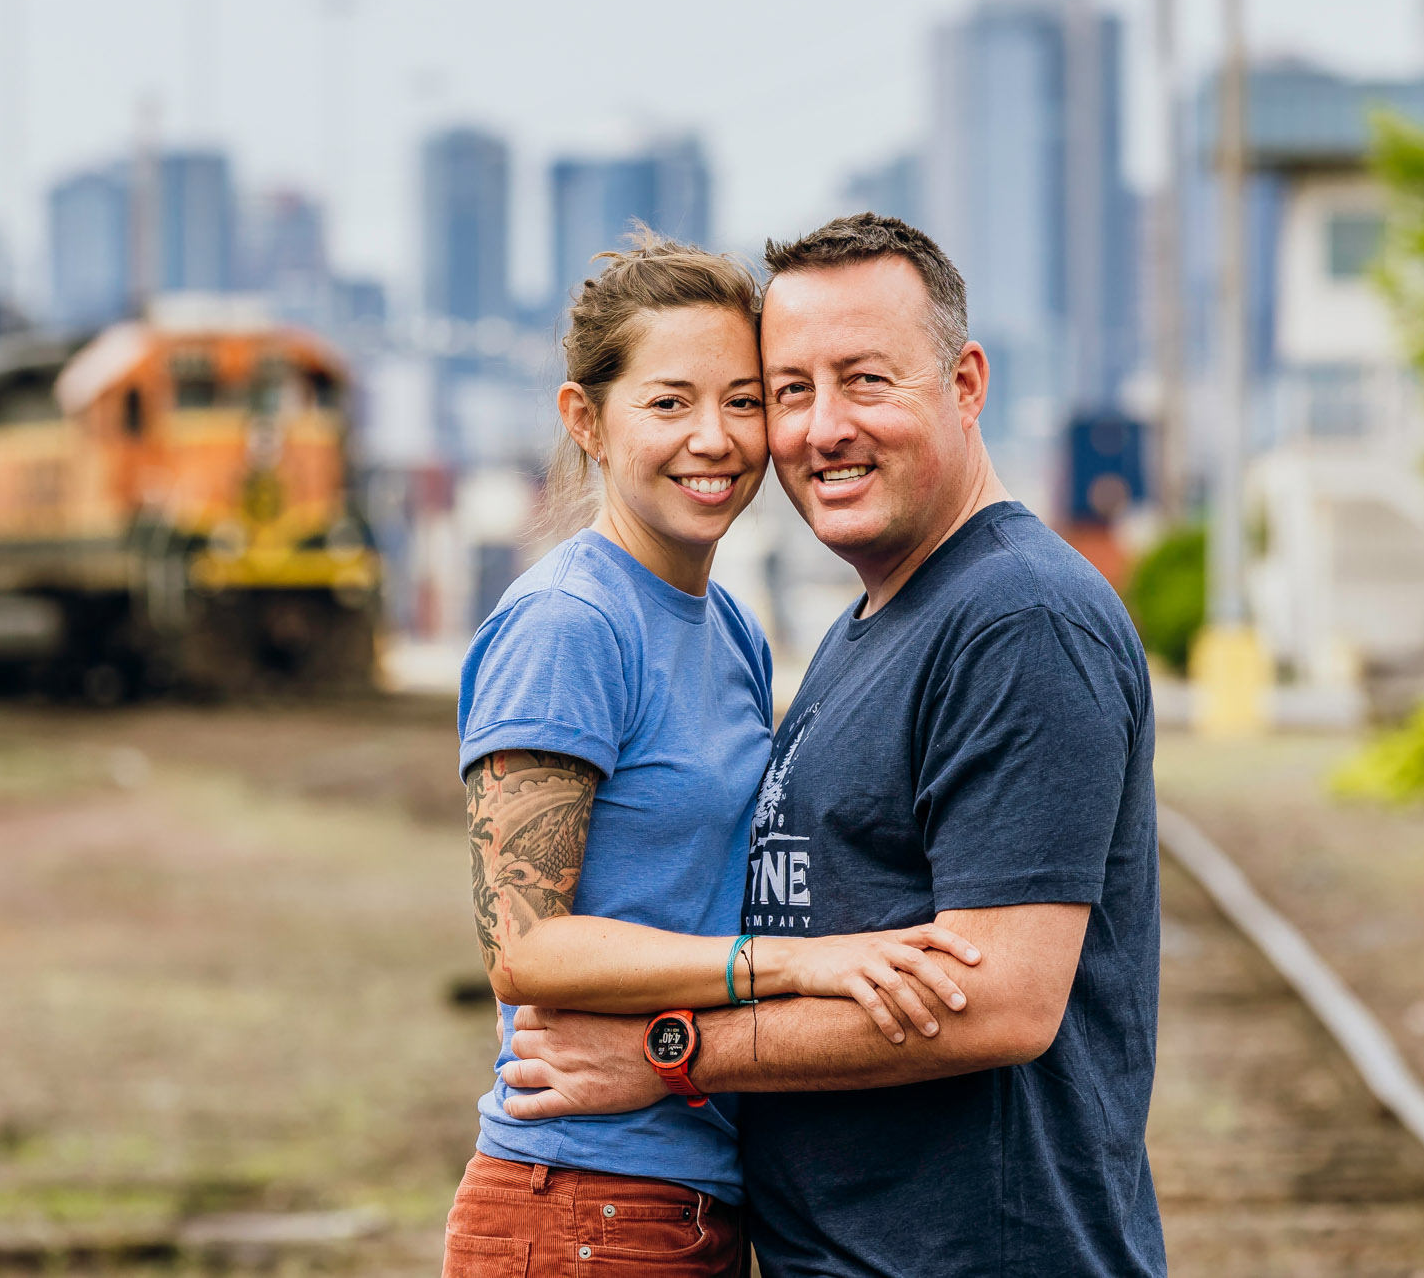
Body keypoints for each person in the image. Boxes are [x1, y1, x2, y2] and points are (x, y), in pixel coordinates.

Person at [499, 214, 1168, 1277]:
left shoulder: (1018, 619)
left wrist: (669, 1053)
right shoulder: (873, 621)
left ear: (964, 382)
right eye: (791, 389)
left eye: (863, 380)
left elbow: (999, 1000)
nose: (818, 428)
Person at [444, 229, 981, 1278]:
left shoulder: (727, 626)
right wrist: (793, 966)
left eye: (744, 400)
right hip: (581, 1199)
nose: (715, 438)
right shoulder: (567, 622)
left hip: (692, 1187)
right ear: (584, 420)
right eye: (668, 402)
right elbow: (522, 947)